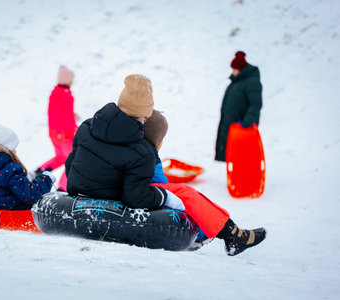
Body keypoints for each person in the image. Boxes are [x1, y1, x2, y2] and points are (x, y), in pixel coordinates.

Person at [144, 110, 267, 256]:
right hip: (144, 194)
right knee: (186, 195)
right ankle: (231, 234)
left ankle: (231, 233)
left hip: (138, 190)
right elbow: (161, 185)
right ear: (157, 141)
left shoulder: (141, 151)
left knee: (183, 194)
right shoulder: (148, 155)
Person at [65, 74, 170, 210]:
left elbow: (70, 164)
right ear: (146, 115)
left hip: (76, 193)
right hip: (109, 208)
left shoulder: (86, 126)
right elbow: (135, 198)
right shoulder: (143, 154)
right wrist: (162, 195)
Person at [215, 51, 263, 162]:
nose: (233, 72)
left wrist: (247, 122)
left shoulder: (252, 82)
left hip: (243, 128)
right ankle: (237, 177)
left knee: (243, 156)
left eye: (234, 69)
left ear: (240, 69)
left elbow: (256, 104)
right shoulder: (236, 82)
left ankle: (245, 178)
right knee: (235, 156)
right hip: (233, 126)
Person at [37, 65, 78, 191]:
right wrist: (76, 129)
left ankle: (39, 171)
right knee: (73, 159)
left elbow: (55, 113)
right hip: (66, 136)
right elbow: (67, 118)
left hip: (54, 134)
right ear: (68, 80)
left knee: (61, 157)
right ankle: (62, 187)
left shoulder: (55, 93)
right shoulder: (67, 96)